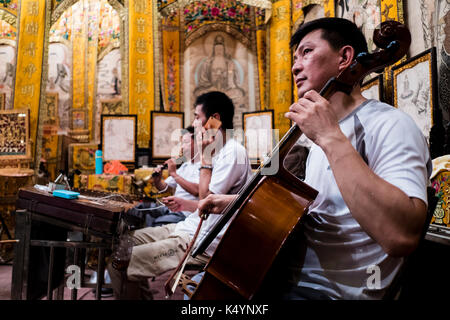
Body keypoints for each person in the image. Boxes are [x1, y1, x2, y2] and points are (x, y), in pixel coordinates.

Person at [197, 17, 432, 300]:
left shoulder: (391, 125)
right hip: (286, 280)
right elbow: (318, 214)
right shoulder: (317, 134)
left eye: (306, 52)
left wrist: (330, 137)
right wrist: (238, 203)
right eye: (295, 57)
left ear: (345, 57)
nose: (295, 65)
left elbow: (401, 237)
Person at [107, 91, 252, 299]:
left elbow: (206, 201)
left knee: (119, 262)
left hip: (203, 240)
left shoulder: (232, 152)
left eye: (196, 116)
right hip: (186, 227)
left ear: (215, 120)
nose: (193, 123)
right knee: (122, 243)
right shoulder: (216, 151)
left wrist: (204, 157)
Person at [139, 125, 200, 227]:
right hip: (171, 208)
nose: (182, 147)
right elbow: (165, 188)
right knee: (139, 208)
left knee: (154, 223)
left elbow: (196, 191)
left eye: (185, 142)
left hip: (185, 213)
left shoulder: (203, 166)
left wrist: (174, 174)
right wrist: (157, 180)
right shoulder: (186, 164)